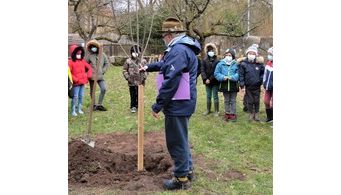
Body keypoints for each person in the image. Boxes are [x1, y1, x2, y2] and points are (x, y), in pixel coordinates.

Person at [140, 17, 201, 190]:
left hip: (178, 103)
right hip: (184, 102)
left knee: (175, 141)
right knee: (182, 138)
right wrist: (149, 67)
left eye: (164, 36)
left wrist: (158, 104)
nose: (163, 39)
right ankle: (187, 170)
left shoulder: (178, 50)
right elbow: (167, 65)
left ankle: (181, 179)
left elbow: (172, 79)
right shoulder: (184, 48)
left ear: (169, 35)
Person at [238, 44, 265, 121]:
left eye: (253, 54)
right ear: (247, 54)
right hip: (248, 86)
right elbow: (241, 75)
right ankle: (250, 113)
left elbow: (263, 73)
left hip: (257, 86)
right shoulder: (243, 64)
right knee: (249, 101)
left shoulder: (259, 64)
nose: (251, 55)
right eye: (250, 53)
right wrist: (242, 85)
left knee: (256, 101)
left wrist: (261, 80)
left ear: (256, 55)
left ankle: (256, 113)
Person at [214, 48, 239, 122]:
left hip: (233, 85)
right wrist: (222, 77)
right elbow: (216, 73)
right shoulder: (220, 64)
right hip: (224, 85)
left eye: (230, 55)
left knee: (233, 100)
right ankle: (227, 113)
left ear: (233, 56)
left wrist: (232, 77)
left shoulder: (236, 64)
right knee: (226, 100)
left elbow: (239, 73)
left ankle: (233, 113)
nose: (228, 56)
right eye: (227, 55)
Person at [68, 44, 93, 117]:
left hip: (82, 83)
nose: (79, 55)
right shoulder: (70, 62)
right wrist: (76, 79)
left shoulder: (82, 61)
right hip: (76, 84)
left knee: (81, 96)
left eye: (80, 53)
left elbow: (89, 67)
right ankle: (73, 110)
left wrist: (88, 75)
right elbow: (68, 73)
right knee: (75, 96)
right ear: (74, 53)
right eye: (77, 53)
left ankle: (79, 109)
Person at [122, 45, 148, 113]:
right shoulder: (128, 61)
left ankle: (139, 105)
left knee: (140, 94)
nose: (135, 54)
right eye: (133, 52)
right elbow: (124, 70)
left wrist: (144, 77)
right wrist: (128, 78)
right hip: (131, 82)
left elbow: (146, 70)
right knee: (133, 94)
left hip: (140, 81)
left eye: (136, 52)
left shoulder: (143, 61)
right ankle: (133, 106)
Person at [86, 40, 109, 111]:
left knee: (103, 88)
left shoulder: (103, 55)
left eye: (94, 47)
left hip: (100, 76)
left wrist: (103, 71)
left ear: (97, 47)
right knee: (92, 91)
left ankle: (99, 104)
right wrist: (88, 72)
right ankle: (94, 105)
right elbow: (85, 65)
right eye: (92, 47)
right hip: (92, 76)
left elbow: (106, 63)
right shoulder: (89, 55)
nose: (93, 48)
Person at [201, 43, 220, 116]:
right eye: (209, 50)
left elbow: (216, 71)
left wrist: (210, 79)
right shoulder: (204, 60)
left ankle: (216, 111)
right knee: (208, 96)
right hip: (207, 82)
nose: (210, 51)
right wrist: (205, 79)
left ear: (214, 51)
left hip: (215, 81)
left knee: (215, 96)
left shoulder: (217, 60)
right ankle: (208, 109)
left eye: (211, 50)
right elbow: (202, 70)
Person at [263, 47, 273, 122]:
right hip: (268, 86)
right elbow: (265, 74)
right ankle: (269, 117)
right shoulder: (268, 63)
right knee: (266, 101)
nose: (269, 56)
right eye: (269, 54)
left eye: (271, 54)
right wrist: (264, 82)